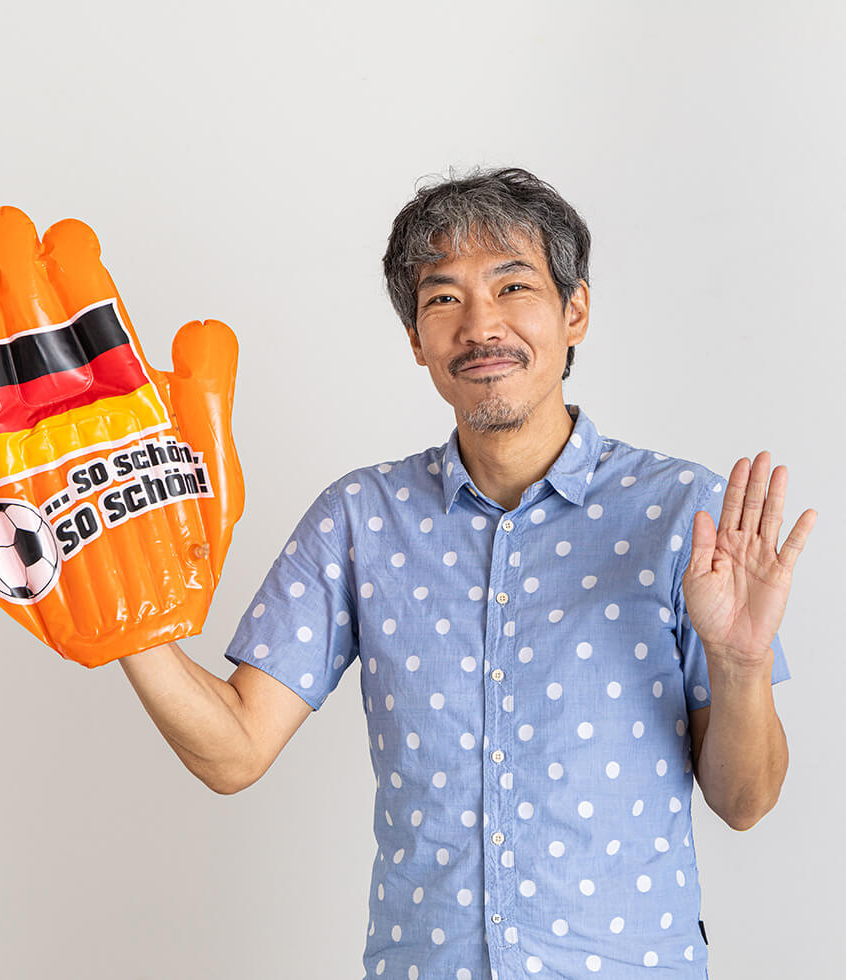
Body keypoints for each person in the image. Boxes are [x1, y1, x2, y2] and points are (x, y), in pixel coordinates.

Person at [119, 167, 816, 979]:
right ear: (416, 339)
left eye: (513, 285)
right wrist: (122, 618)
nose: (481, 325)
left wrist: (739, 664)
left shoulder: (683, 516)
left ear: (575, 311)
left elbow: (745, 802)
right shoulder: (360, 518)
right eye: (444, 297)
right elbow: (235, 750)